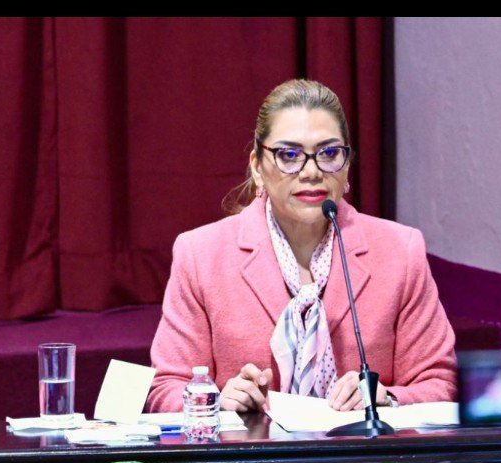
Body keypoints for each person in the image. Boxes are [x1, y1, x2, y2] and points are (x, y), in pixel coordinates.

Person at [146, 79, 457, 414]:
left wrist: (387, 398)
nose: (311, 172)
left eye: (329, 154)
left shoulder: (399, 251)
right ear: (257, 167)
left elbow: (441, 382)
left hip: (361, 447)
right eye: (289, 155)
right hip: (251, 448)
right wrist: (215, 401)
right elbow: (165, 388)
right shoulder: (201, 254)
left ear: (347, 165)